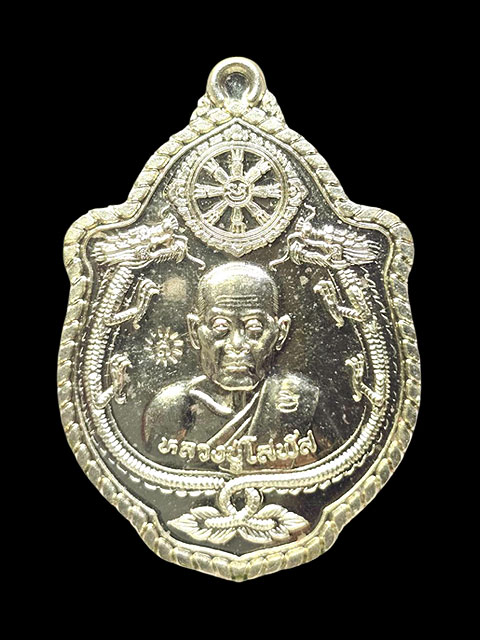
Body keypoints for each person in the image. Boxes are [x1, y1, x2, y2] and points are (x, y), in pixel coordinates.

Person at [142, 262, 340, 471]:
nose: (237, 344)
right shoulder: (171, 408)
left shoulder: (304, 402)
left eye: (254, 328)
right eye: (220, 327)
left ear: (280, 332)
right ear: (194, 331)